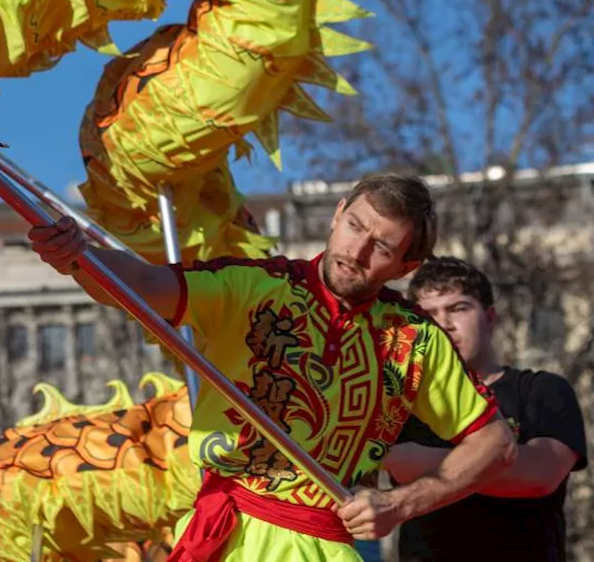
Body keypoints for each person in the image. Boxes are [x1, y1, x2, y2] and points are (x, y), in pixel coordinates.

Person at [29, 172, 516, 562]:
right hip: (224, 535)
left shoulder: (415, 337)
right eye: (355, 227)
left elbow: (496, 443)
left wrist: (402, 503)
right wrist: (79, 257)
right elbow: (143, 282)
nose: (357, 252)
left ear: (406, 267)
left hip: (325, 547)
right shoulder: (255, 286)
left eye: (382, 248)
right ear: (337, 215)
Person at [386, 257, 588, 561]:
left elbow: (538, 475)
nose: (443, 324)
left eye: (458, 308)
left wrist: (414, 460)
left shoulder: (541, 390)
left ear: (490, 317)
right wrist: (498, 460)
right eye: (428, 314)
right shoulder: (401, 404)